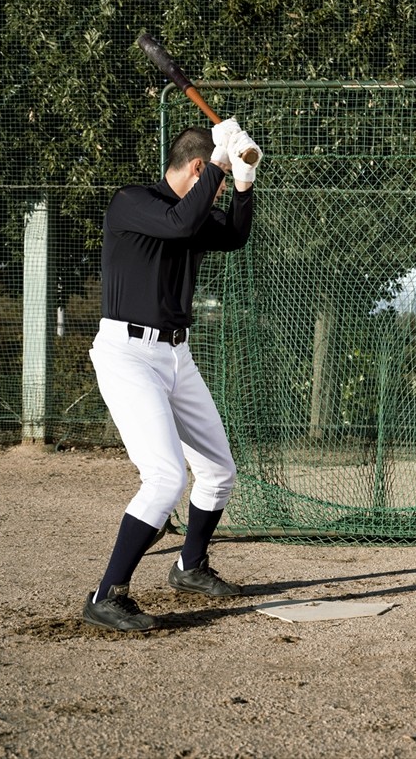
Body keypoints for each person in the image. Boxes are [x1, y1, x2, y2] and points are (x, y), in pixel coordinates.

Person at [82, 119, 261, 631]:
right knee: (164, 478)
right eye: (214, 177)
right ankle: (107, 594)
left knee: (218, 470)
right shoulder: (131, 202)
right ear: (200, 167)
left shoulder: (193, 210)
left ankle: (189, 566)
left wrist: (244, 182)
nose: (217, 189)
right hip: (127, 354)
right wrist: (223, 164)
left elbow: (234, 235)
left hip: (176, 356)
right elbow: (181, 222)